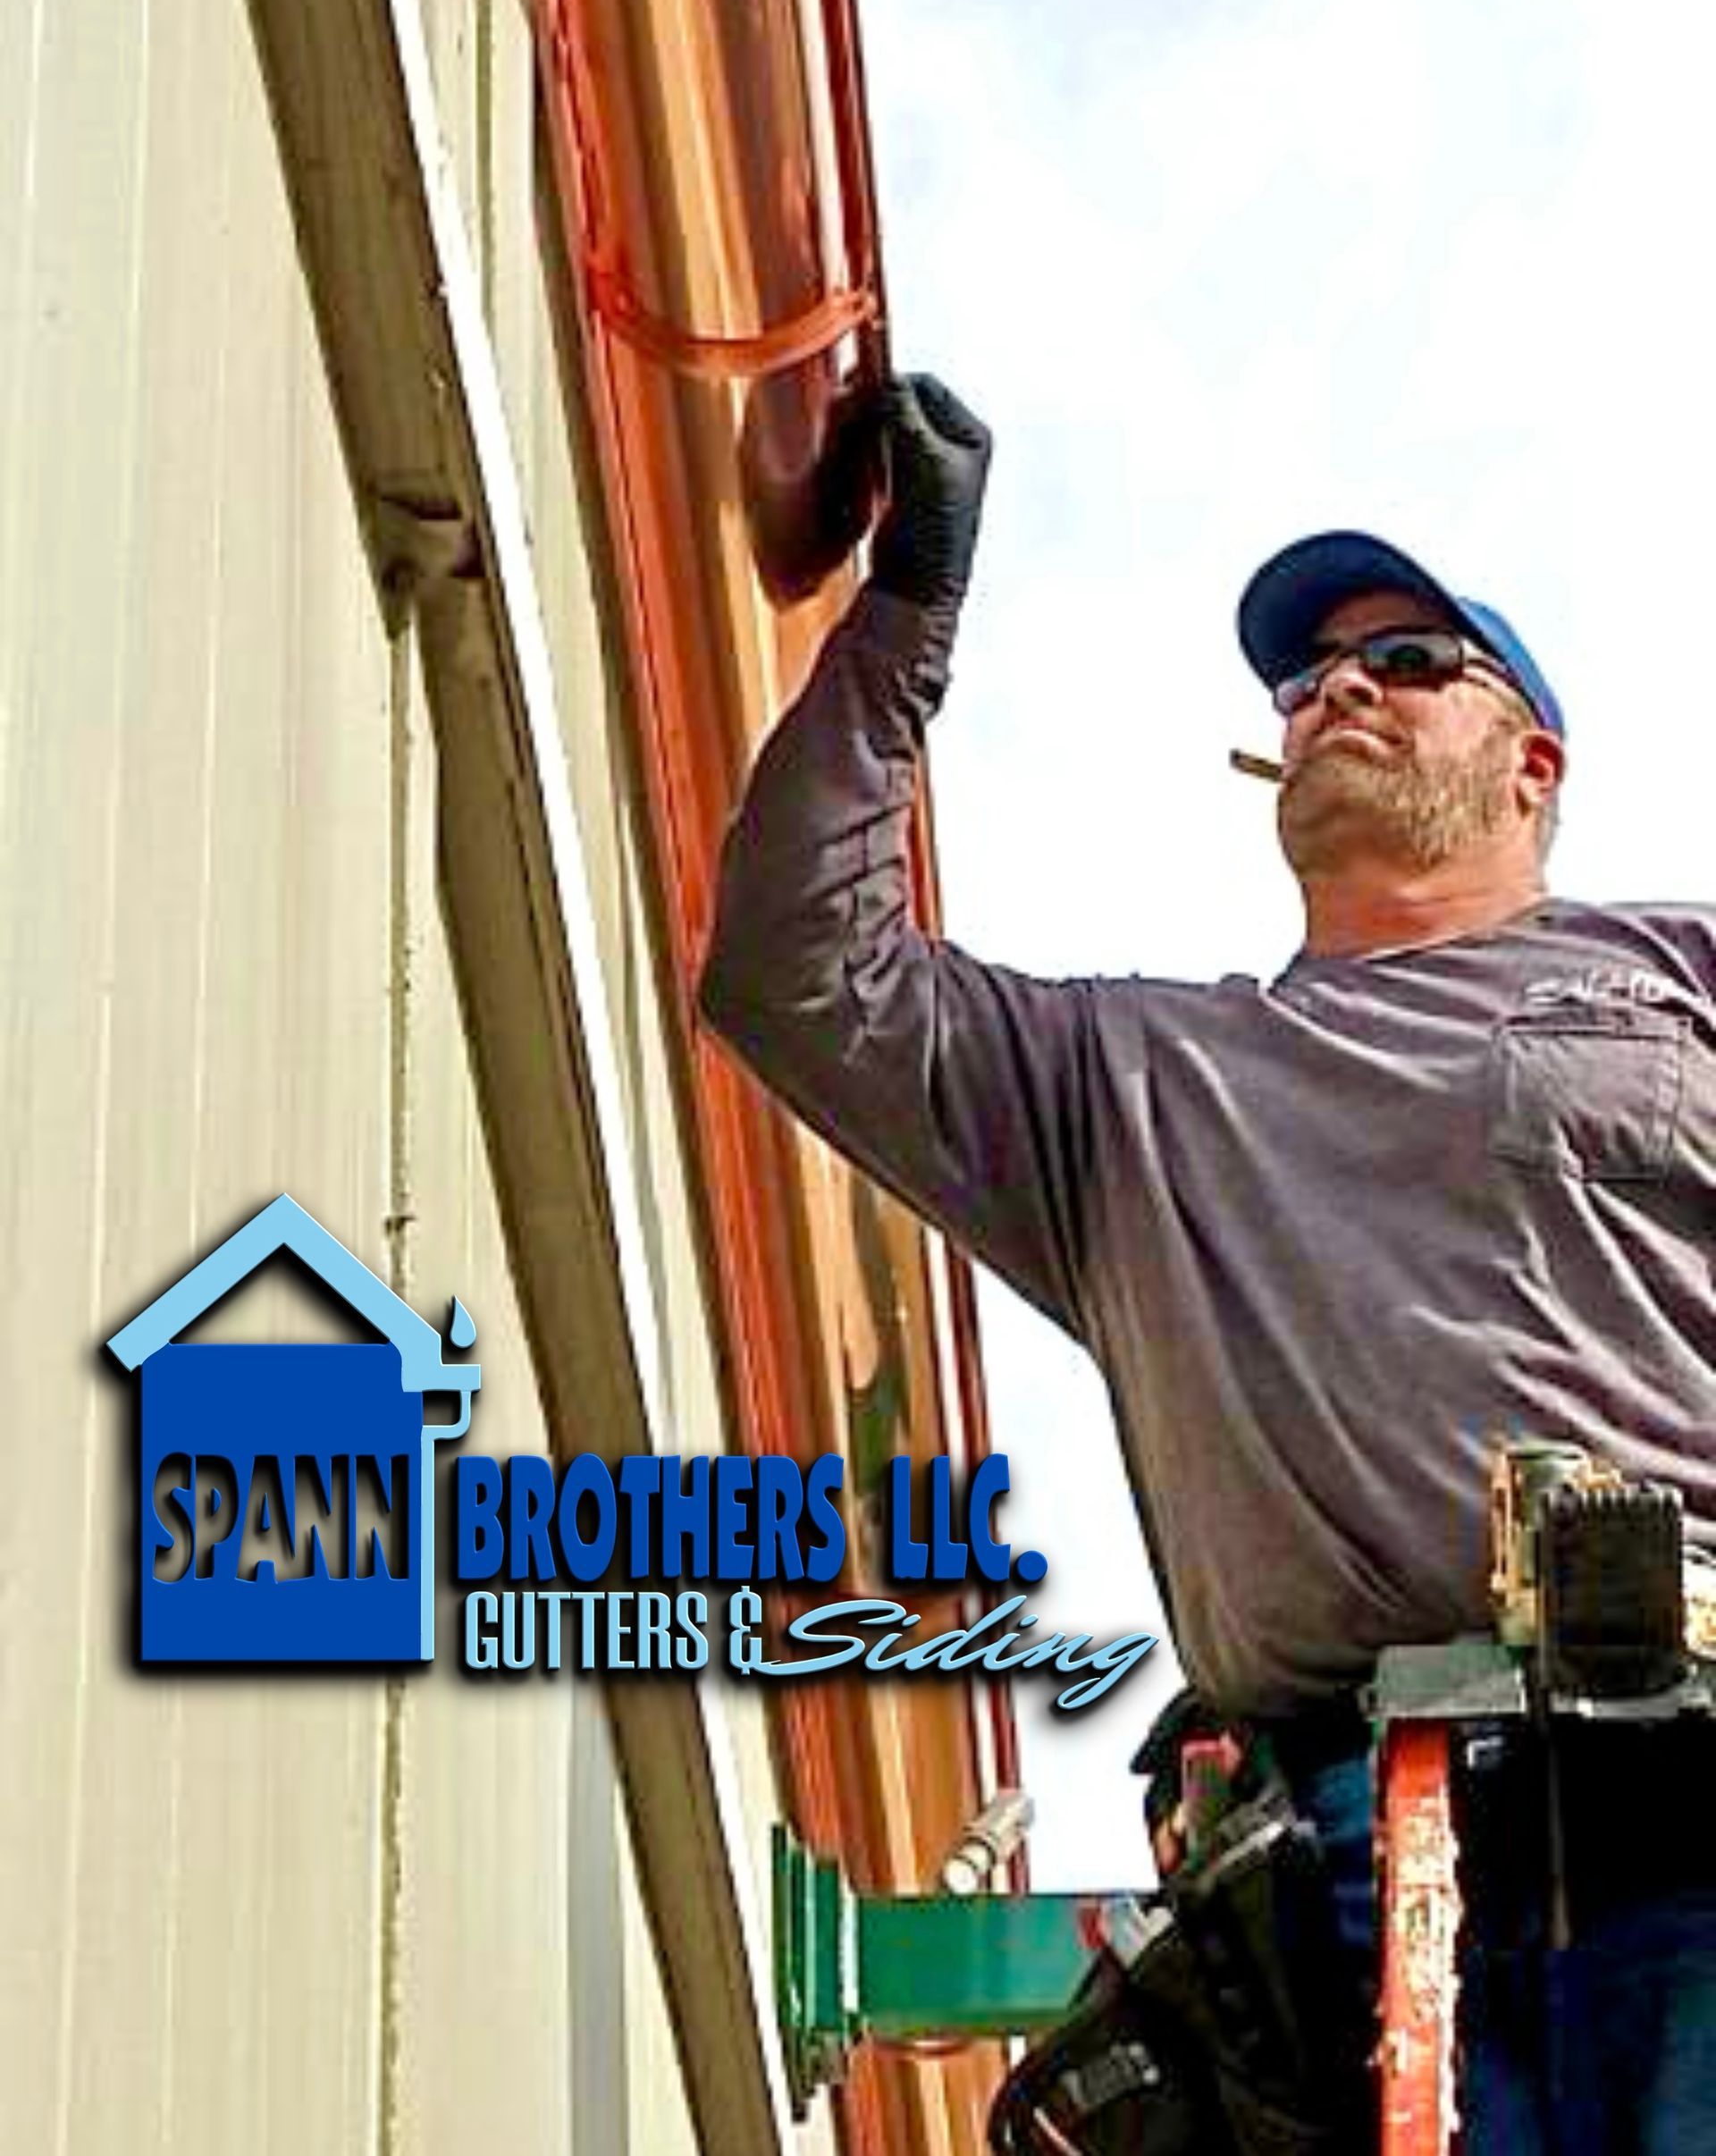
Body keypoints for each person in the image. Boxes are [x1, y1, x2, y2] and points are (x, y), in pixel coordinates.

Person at [698, 374, 1716, 2151]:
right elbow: (802, 977)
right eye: (1308, 677)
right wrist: (905, 615)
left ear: (1531, 765)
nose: (1337, 687)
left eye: (1407, 662)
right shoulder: (1137, 1089)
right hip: (1365, 1867)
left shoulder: (1679, 978)